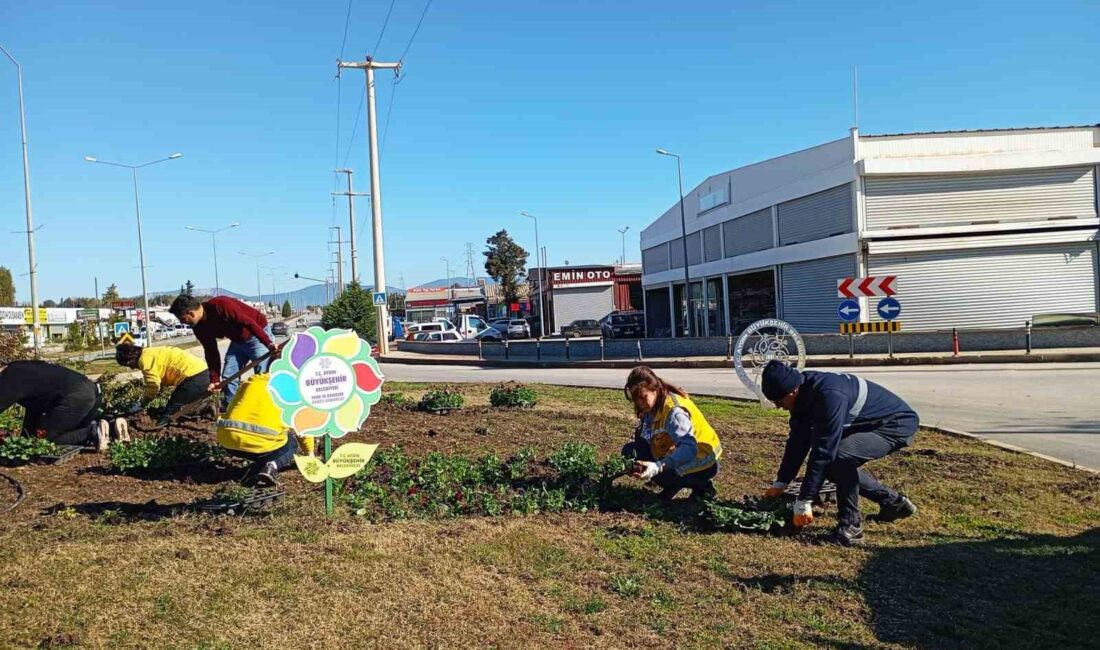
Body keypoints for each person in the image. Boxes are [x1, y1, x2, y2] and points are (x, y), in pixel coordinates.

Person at [761, 360, 919, 547]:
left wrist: (804, 501)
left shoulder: (829, 396)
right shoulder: (802, 395)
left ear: (792, 391)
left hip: (894, 425)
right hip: (870, 423)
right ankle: (893, 503)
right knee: (833, 463)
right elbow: (798, 441)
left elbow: (823, 451)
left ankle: (851, 528)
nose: (778, 406)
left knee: (837, 457)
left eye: (778, 401)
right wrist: (781, 482)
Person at [621, 366, 723, 501]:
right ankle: (673, 484)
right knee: (631, 451)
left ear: (655, 390)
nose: (640, 403)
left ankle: (703, 486)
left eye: (643, 397)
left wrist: (657, 467)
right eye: (636, 399)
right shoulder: (653, 405)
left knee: (662, 475)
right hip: (686, 452)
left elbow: (689, 448)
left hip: (704, 459)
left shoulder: (674, 413)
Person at [169, 293, 277, 407]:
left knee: (262, 373)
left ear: (191, 313)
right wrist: (214, 379)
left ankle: (264, 408)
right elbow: (211, 352)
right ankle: (231, 409)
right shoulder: (199, 327)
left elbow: (249, 323)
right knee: (229, 376)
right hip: (237, 341)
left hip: (256, 334)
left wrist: (268, 343)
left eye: (182, 319)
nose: (182, 323)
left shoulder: (221, 305)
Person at [0, 360, 109, 451]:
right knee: (72, 436)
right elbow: (34, 408)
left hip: (76, 396)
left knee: (42, 440)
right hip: (90, 391)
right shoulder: (21, 369)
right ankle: (107, 431)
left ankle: (92, 432)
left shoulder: (10, 377)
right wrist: (25, 438)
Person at [216, 374, 298, 486]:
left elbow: (232, 406)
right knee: (292, 444)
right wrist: (310, 453)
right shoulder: (291, 388)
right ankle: (270, 467)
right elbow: (302, 428)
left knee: (263, 443)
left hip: (228, 441)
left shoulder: (251, 381)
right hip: (261, 446)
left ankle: (255, 469)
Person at [114, 343, 211, 425]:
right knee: (177, 403)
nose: (132, 368)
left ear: (132, 359)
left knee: (173, 407)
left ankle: (161, 425)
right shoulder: (148, 352)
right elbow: (162, 372)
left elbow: (153, 385)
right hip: (201, 371)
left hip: (195, 376)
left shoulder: (145, 361)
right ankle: (206, 408)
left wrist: (142, 404)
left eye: (129, 365)